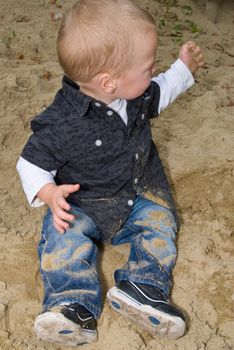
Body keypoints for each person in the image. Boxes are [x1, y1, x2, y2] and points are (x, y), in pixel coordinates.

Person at [17, 0, 204, 346]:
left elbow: (162, 90)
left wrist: (184, 68)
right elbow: (29, 163)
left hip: (138, 195)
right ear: (108, 82)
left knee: (160, 224)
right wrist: (49, 193)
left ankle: (143, 287)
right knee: (62, 235)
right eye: (147, 68)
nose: (152, 73)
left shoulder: (136, 95)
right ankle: (72, 305)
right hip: (83, 202)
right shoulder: (62, 122)